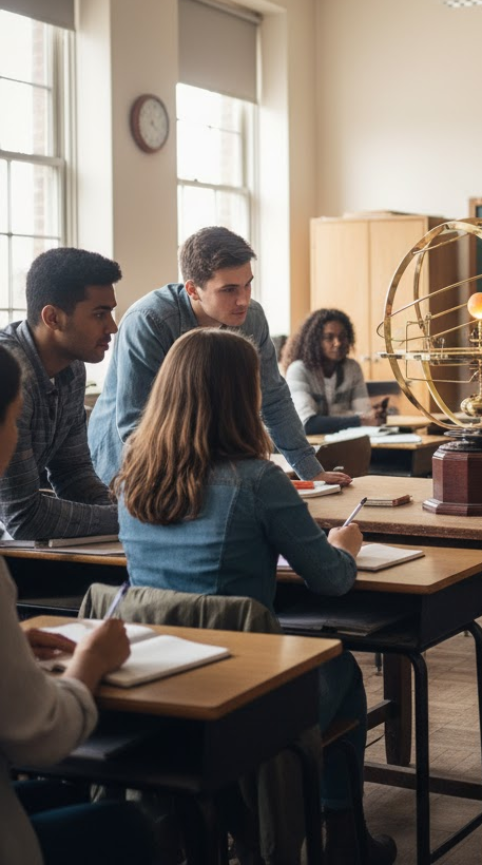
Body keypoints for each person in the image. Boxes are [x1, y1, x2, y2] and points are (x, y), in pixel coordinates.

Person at [116, 328, 395, 865]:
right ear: (239, 398)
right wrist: (344, 545)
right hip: (241, 692)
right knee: (344, 672)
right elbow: (332, 580)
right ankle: (343, 836)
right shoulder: (256, 479)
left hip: (155, 687)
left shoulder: (133, 473)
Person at [0, 345, 155, 865]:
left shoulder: (68, 376)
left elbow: (72, 471)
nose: (19, 435)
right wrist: (91, 662)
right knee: (126, 827)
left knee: (69, 794)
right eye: (16, 421)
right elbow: (42, 739)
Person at [88, 226, 349, 490]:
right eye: (229, 290)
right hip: (128, 463)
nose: (243, 300)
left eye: (248, 285)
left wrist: (310, 471)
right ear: (192, 289)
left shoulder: (252, 319)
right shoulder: (149, 321)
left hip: (200, 461)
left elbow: (273, 398)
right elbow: (136, 426)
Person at [0, 248, 122, 539]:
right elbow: (23, 517)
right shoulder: (12, 374)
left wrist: (134, 512)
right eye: (99, 314)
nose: (113, 327)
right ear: (53, 317)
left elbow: (73, 474)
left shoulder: (72, 368)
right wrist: (130, 522)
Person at [281, 308, 388, 434]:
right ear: (315, 341)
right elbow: (307, 424)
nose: (338, 343)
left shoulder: (352, 368)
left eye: (342, 337)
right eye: (329, 337)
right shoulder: (298, 370)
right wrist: (360, 420)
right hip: (312, 448)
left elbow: (364, 414)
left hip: (345, 443)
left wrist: (372, 417)